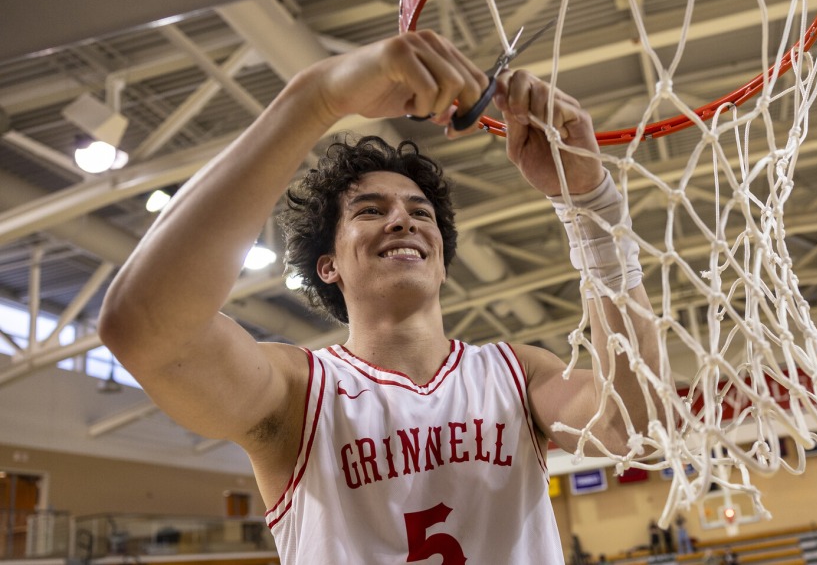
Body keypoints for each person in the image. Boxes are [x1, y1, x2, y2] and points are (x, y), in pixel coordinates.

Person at [98, 30, 657, 563]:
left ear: (440, 262)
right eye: (371, 210)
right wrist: (314, 99)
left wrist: (591, 206)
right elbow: (142, 330)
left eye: (420, 213)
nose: (402, 222)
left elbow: (638, 431)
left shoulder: (517, 373)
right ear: (329, 266)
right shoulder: (297, 393)